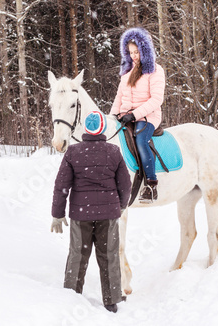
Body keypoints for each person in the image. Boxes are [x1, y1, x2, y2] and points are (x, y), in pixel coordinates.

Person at [50, 111, 131, 313]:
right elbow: (125, 184)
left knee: (77, 254)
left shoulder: (73, 152)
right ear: (102, 129)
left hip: (81, 215)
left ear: (86, 129)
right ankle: (112, 300)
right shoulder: (113, 151)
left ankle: (71, 295)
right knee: (109, 255)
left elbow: (61, 185)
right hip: (108, 216)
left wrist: (57, 213)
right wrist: (120, 205)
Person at [110, 27, 166, 203]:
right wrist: (113, 116)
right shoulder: (126, 73)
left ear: (145, 49)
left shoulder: (155, 71)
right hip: (125, 116)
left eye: (137, 51)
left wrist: (134, 115)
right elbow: (119, 97)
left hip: (148, 116)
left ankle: (151, 184)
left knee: (140, 139)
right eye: (130, 52)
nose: (134, 55)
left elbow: (156, 99)